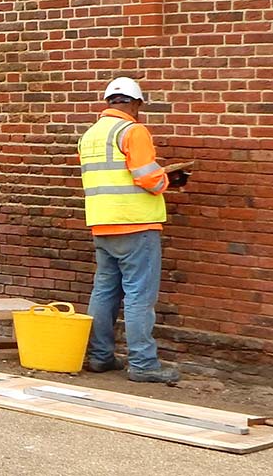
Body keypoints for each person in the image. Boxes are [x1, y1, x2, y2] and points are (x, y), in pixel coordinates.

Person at [80, 77, 187, 384]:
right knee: (139, 294)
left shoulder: (90, 134)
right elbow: (147, 178)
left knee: (104, 291)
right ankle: (143, 363)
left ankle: (100, 357)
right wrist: (169, 180)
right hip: (136, 224)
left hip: (102, 222)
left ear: (108, 101)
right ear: (135, 103)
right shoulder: (133, 130)